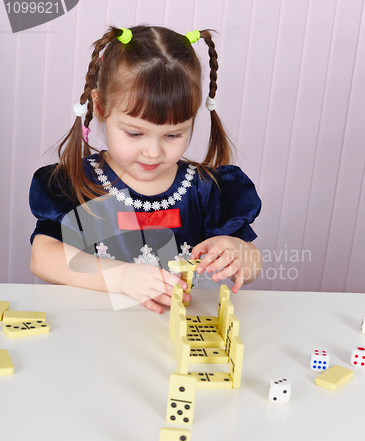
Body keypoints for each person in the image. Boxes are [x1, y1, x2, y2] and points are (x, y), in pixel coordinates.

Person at [29, 25, 262, 314]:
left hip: (176, 339)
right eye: (135, 134)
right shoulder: (76, 183)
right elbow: (42, 258)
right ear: (100, 107)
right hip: (94, 337)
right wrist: (123, 277)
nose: (153, 152)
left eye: (173, 135)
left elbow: (253, 265)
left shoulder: (204, 190)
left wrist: (238, 254)